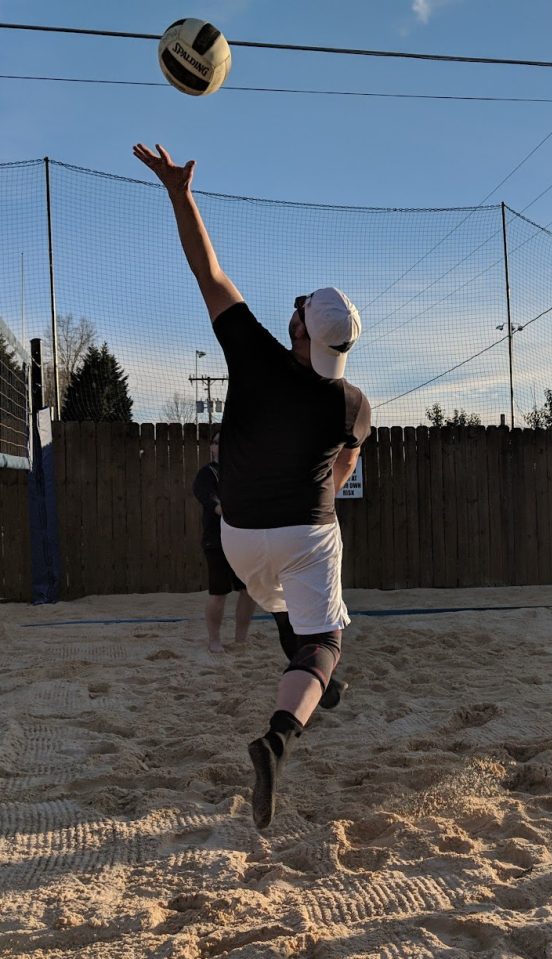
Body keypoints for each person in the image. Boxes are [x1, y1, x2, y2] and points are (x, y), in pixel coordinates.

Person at [134, 143, 371, 827]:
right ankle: (278, 738)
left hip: (238, 536)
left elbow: (207, 270)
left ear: (298, 330)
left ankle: (314, 681)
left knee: (285, 609)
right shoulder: (354, 403)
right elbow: (344, 468)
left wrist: (180, 195)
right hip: (306, 531)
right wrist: (322, 493)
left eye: (299, 308)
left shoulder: (255, 356)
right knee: (323, 640)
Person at [192, 430, 257, 653]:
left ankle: (241, 639)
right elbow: (211, 501)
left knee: (248, 590)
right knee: (218, 593)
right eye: (217, 442)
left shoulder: (244, 472)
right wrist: (233, 510)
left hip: (244, 539)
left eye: (226, 442)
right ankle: (214, 640)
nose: (221, 446)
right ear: (211, 447)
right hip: (216, 541)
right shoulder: (207, 474)